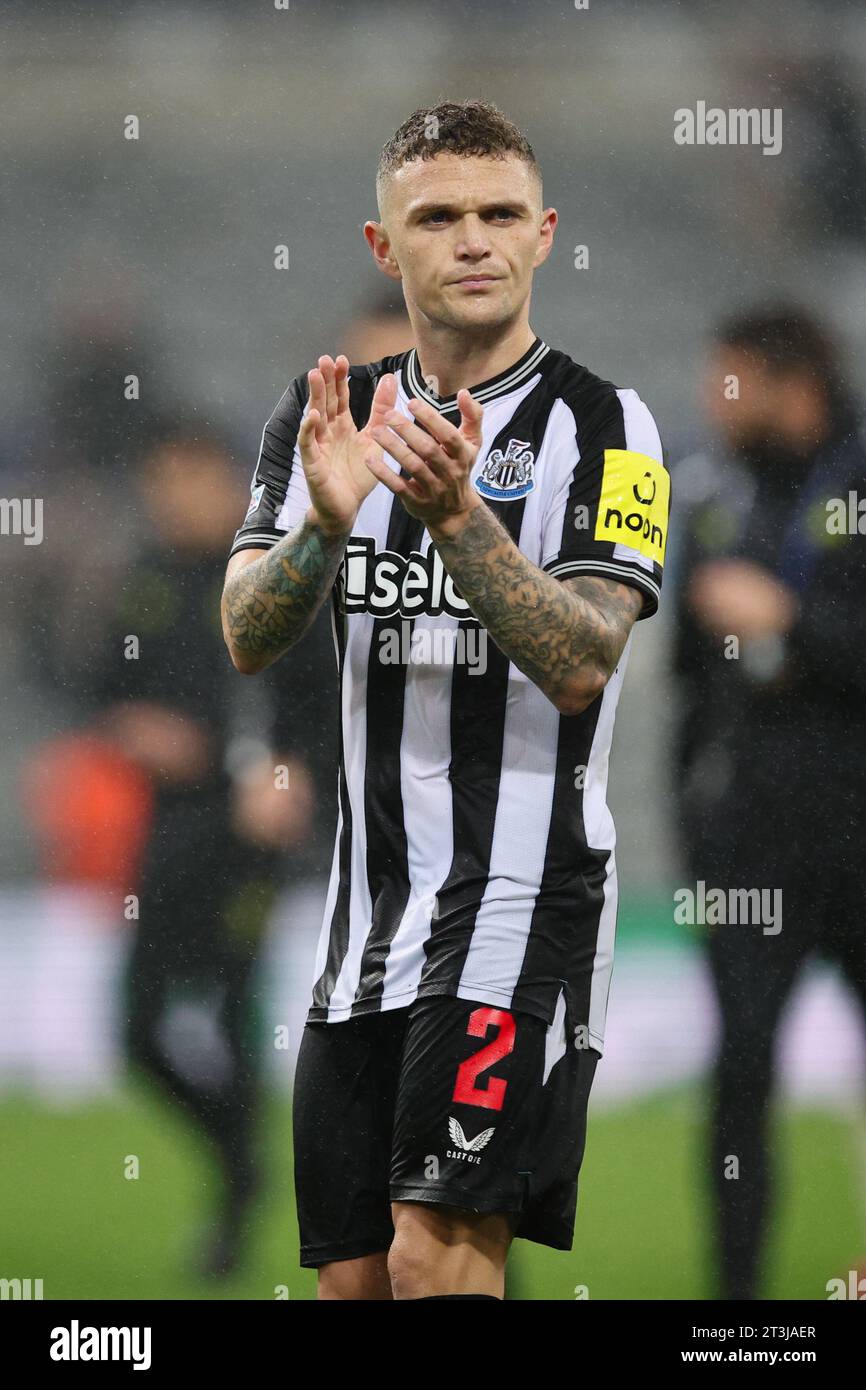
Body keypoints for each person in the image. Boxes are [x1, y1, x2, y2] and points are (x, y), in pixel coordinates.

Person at [221, 99, 670, 1301]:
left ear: (543, 234)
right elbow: (247, 635)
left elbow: (582, 659)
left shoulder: (607, 426)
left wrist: (458, 521)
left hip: (524, 903)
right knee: (356, 1280)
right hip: (364, 919)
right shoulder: (321, 420)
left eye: (498, 213)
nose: (471, 239)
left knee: (435, 1258)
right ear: (385, 248)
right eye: (436, 217)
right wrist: (321, 522)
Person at [672, 305, 866, 1300]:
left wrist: (790, 615)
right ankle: (733, 1304)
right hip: (748, 848)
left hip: (858, 837)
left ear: (791, 381)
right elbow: (685, 686)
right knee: (739, 1069)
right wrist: (692, 824)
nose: (712, 400)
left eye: (730, 379)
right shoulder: (712, 494)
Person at [91, 424, 316, 1275]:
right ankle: (244, 1161)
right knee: (137, 1032)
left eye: (187, 479)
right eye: (159, 481)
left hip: (248, 837)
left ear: (230, 483)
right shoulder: (147, 579)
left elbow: (316, 700)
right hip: (171, 832)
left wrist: (288, 776)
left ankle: (234, 1213)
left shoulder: (277, 568)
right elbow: (105, 686)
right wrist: (134, 727)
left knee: (231, 1013)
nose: (171, 497)